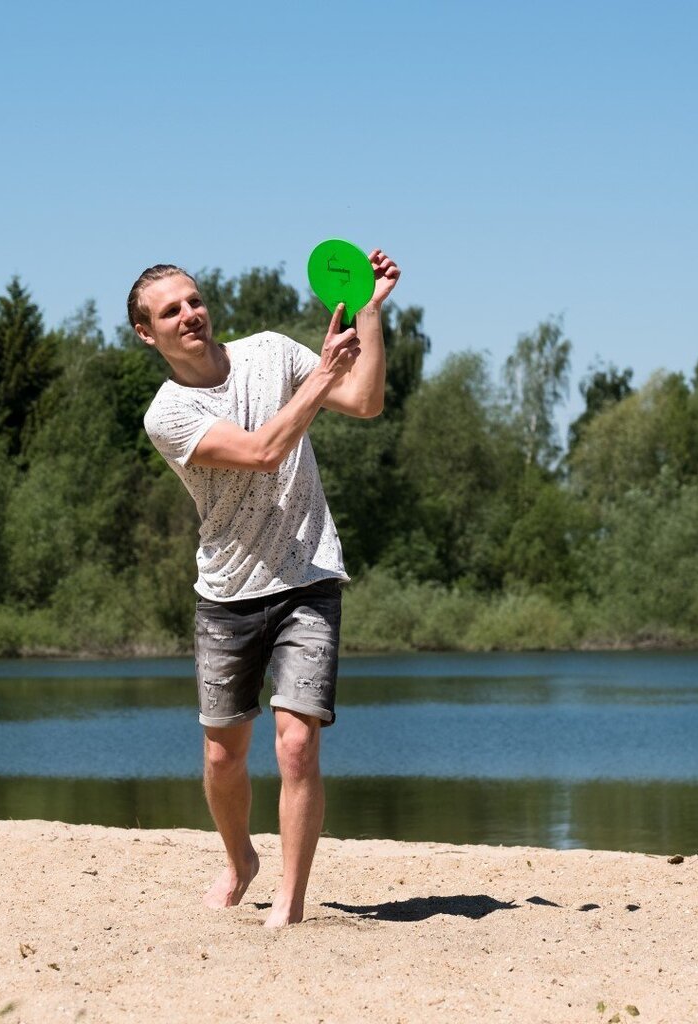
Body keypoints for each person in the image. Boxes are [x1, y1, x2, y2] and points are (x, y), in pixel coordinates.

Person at [130, 250, 400, 928]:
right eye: (171, 311)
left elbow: (364, 401)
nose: (189, 314)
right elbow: (260, 451)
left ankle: (290, 900)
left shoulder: (271, 353)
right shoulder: (168, 414)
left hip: (308, 574)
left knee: (297, 743)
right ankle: (239, 859)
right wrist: (319, 379)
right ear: (147, 334)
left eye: (193, 300)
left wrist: (367, 311)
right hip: (227, 591)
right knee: (224, 753)